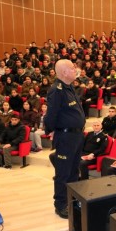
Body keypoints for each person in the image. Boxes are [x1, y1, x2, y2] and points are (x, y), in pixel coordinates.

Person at [44, 59, 86, 219]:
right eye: (72, 67)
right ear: (63, 72)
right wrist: (52, 130)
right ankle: (61, 204)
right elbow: (51, 115)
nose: (75, 69)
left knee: (74, 171)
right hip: (66, 136)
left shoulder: (69, 88)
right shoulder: (57, 90)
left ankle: (72, 200)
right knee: (63, 172)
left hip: (76, 136)